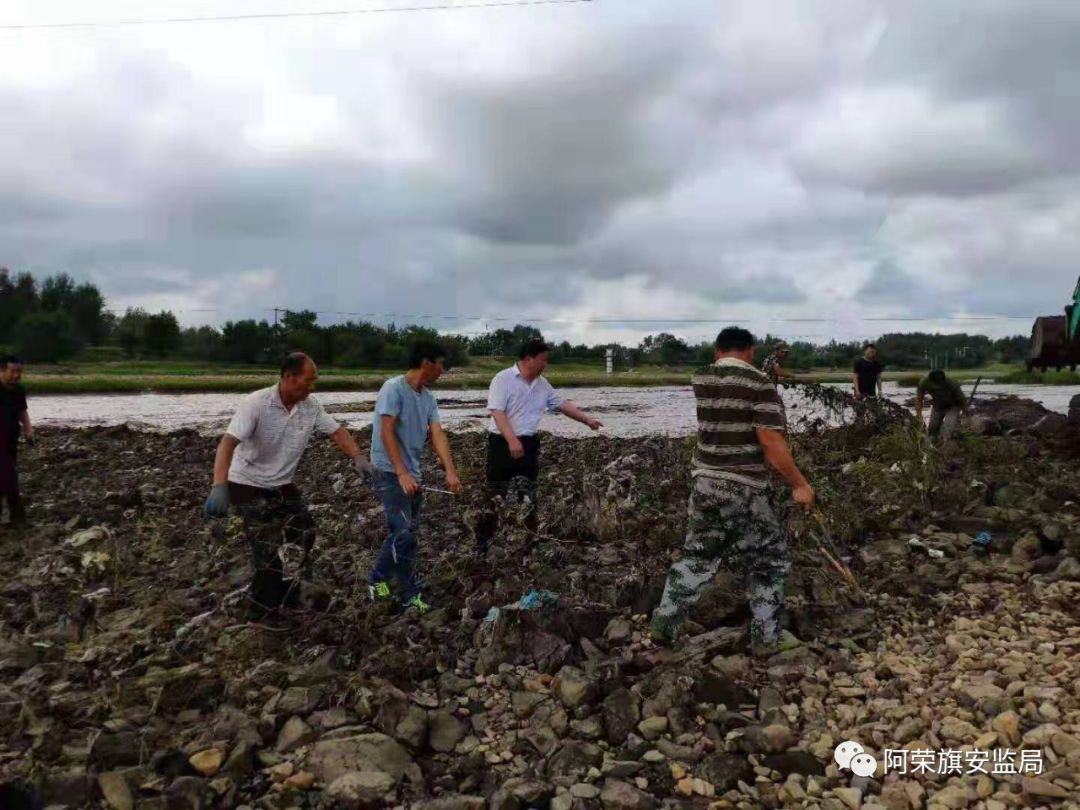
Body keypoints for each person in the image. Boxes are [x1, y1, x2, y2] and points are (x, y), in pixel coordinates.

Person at [652, 327, 814, 656]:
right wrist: (799, 484)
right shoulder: (758, 383)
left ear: (717, 351)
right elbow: (770, 442)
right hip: (742, 485)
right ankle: (767, 638)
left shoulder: (702, 378)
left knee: (697, 556)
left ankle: (665, 623)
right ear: (750, 351)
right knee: (768, 561)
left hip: (704, 482)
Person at [205, 352, 367, 621]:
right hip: (246, 484)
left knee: (304, 532)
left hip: (282, 484)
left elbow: (336, 432)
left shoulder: (310, 406)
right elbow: (227, 443)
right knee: (266, 549)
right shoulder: (256, 404)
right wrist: (219, 486)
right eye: (308, 380)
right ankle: (262, 612)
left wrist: (358, 457)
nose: (312, 386)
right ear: (289, 378)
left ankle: (286, 590)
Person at [475, 339, 603, 555]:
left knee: (529, 494)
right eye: (543, 360)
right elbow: (497, 412)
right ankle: (482, 546)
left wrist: (587, 420)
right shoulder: (502, 379)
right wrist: (512, 440)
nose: (546, 364)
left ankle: (530, 542)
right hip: (501, 444)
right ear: (528, 358)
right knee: (495, 495)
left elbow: (561, 405)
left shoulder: (542, 384)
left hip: (529, 443)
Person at [367, 339, 462, 614]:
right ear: (426, 363)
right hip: (388, 471)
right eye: (441, 365)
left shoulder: (428, 398)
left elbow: (438, 434)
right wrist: (401, 472)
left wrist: (451, 472)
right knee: (404, 532)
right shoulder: (393, 389)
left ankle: (407, 592)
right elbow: (386, 430)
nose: (442, 371)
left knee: (405, 534)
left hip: (412, 473)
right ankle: (378, 579)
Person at [0, 356, 32, 528]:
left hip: (10, 441)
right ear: (2, 370)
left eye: (19, 372)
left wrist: (28, 429)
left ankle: (16, 519)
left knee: (5, 477)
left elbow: (22, 411)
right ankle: (19, 519)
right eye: (13, 371)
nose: (16, 375)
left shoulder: (18, 390)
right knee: (9, 478)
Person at [915, 369, 968, 441]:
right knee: (932, 430)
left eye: (939, 384)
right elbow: (919, 399)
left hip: (953, 406)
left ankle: (948, 442)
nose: (938, 386)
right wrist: (919, 415)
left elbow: (962, 400)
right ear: (930, 380)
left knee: (948, 428)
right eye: (935, 384)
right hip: (938, 405)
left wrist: (964, 414)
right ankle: (935, 443)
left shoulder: (952, 383)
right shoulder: (924, 382)